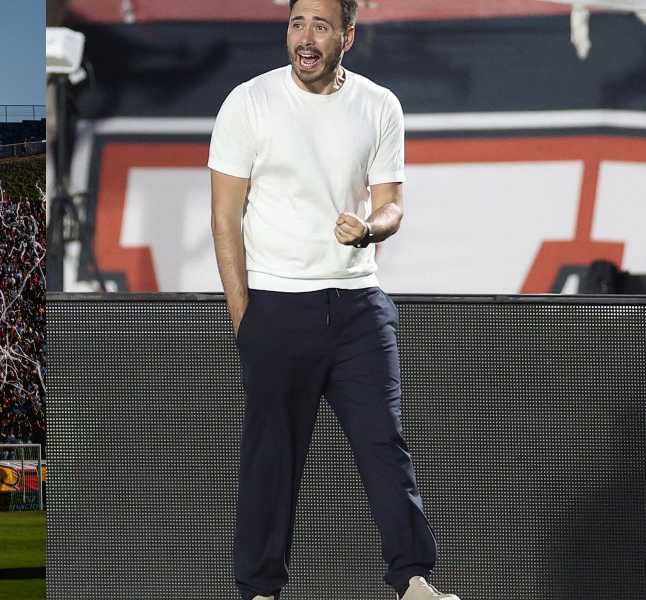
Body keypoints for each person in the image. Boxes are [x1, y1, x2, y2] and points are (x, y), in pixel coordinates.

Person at [207, 1, 459, 599]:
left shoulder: (379, 104)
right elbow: (224, 219)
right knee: (271, 459)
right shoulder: (248, 102)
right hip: (275, 306)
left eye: (321, 25)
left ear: (347, 34)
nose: (306, 37)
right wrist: (246, 318)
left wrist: (369, 228)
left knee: (384, 446)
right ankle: (260, 590)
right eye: (297, 23)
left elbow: (393, 203)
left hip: (358, 308)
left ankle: (414, 582)